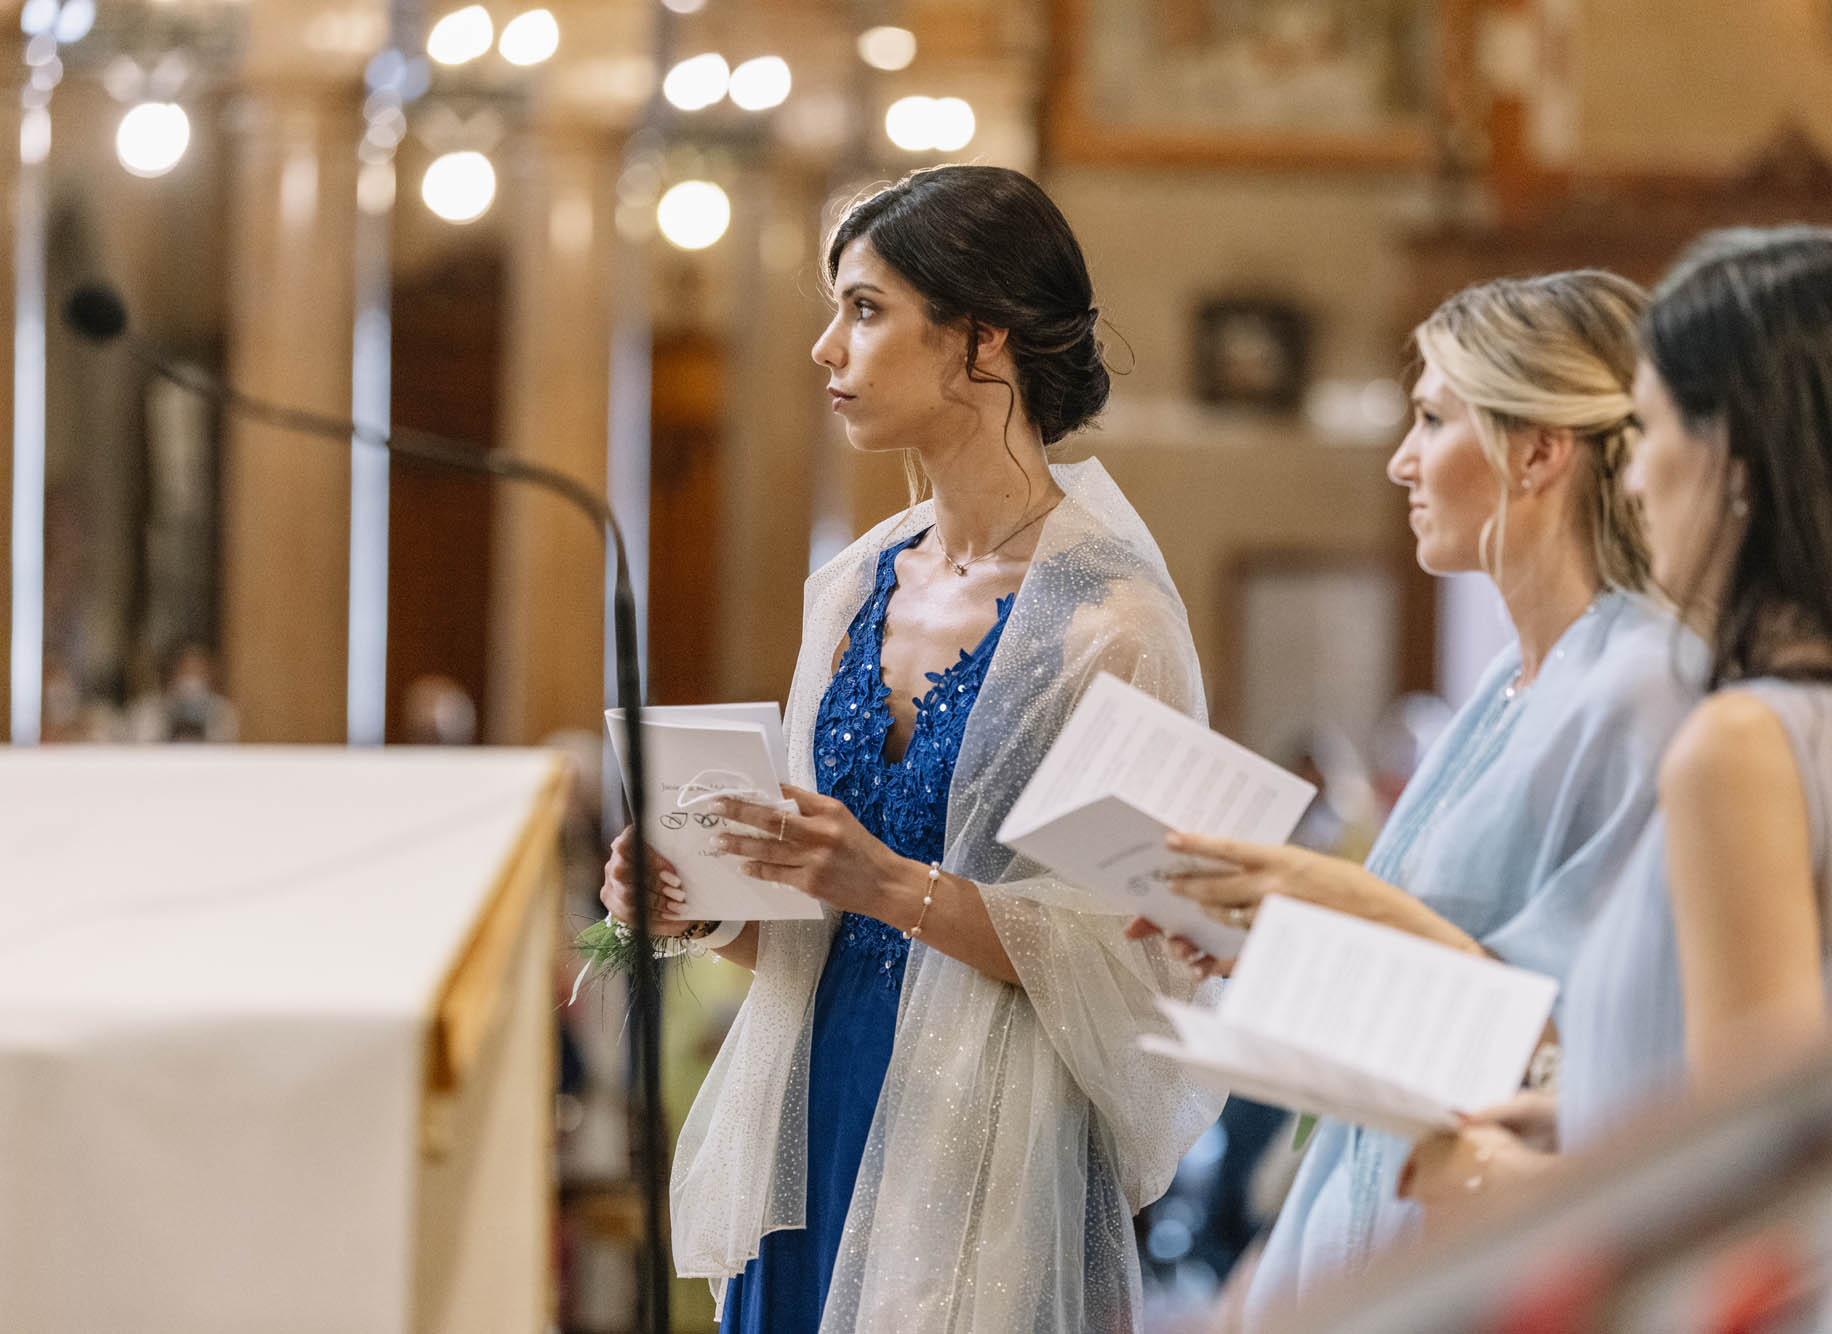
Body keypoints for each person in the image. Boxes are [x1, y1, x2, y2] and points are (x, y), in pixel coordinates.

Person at [600, 165, 1221, 1332]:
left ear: (979, 341)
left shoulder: (1111, 622)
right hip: (810, 1098)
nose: (827, 348)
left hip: (986, 1138)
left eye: (866, 308)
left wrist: (886, 882)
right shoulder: (850, 586)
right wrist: (702, 905)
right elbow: (816, 927)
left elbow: (1145, 960)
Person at [1144, 270, 1707, 1324]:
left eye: (1433, 419)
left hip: (1495, 1221)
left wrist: (1338, 901)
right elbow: (1446, 977)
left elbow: (1608, 1031)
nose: (1401, 459)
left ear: (1538, 448)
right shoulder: (1505, 680)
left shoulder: (1645, 685)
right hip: (1369, 1195)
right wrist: (1273, 943)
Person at [1402, 226, 1832, 1208]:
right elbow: (1821, 1071)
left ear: (1732, 457)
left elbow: (1756, 1188)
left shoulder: (1740, 745)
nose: (1631, 479)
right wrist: (1589, 1109)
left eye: (1648, 428)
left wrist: (1500, 1180)